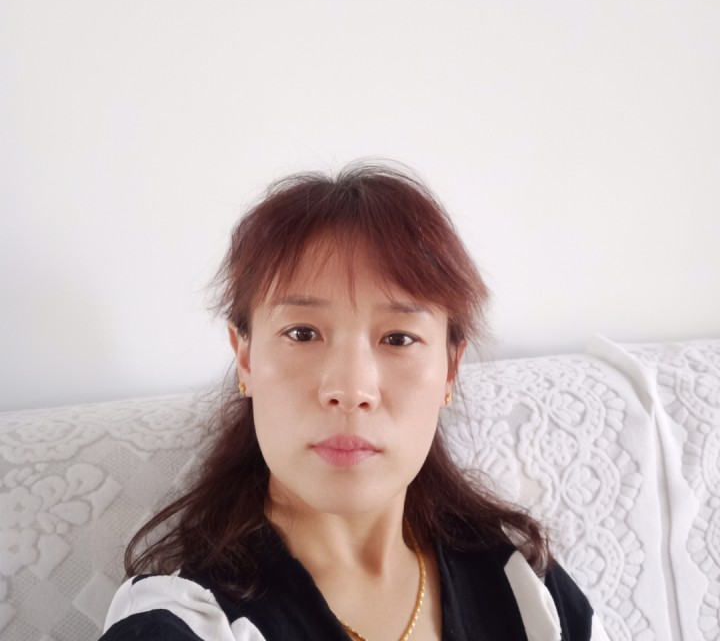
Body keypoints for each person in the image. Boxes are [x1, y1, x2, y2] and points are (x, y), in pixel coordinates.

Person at [100, 162, 607, 641]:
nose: (350, 389)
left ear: (450, 368)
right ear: (246, 359)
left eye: (399, 338)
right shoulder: (187, 622)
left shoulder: (526, 589)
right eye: (303, 333)